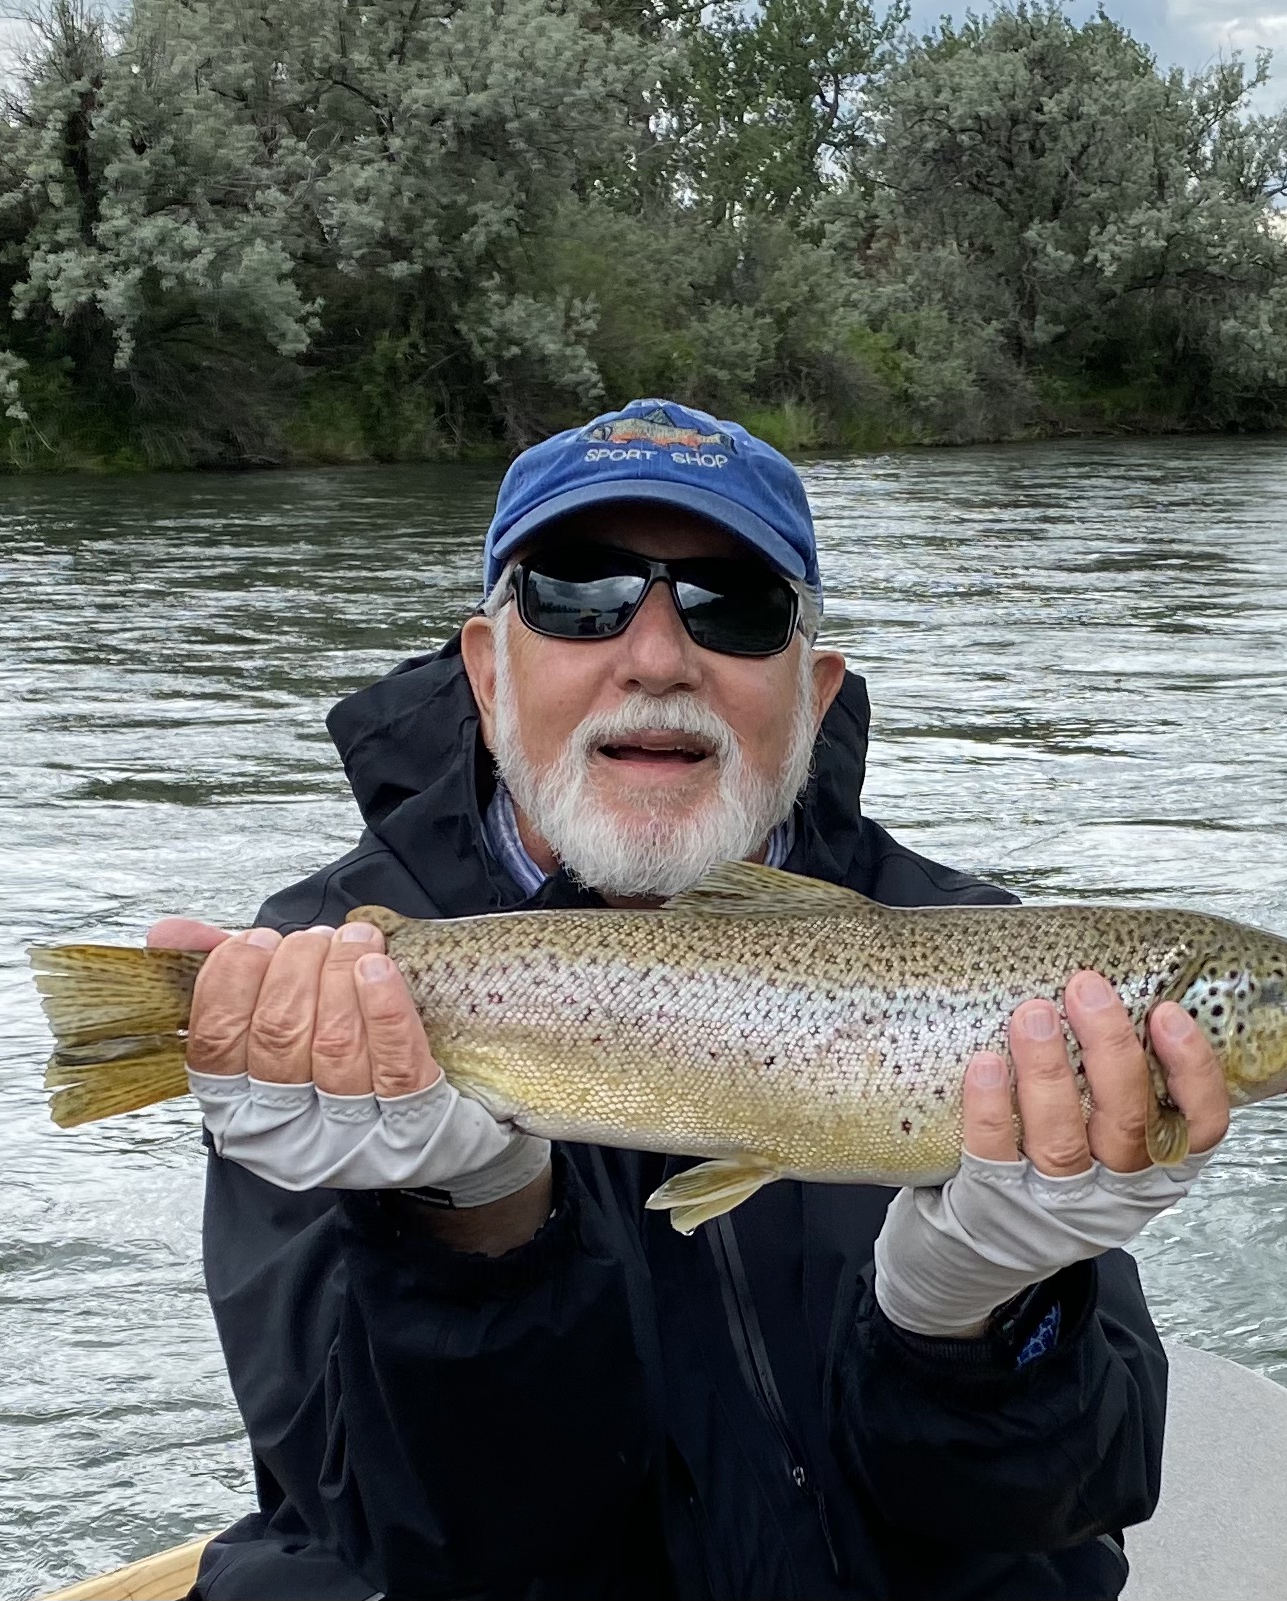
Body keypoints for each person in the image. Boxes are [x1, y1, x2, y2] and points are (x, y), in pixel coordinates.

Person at [161, 399, 1229, 1601]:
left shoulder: (999, 966)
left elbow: (1071, 1501)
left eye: (733, 605)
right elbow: (394, 1536)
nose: (658, 656)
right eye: (578, 593)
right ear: (484, 666)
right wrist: (468, 1232)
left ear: (814, 690)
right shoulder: (319, 982)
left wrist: (980, 1314)